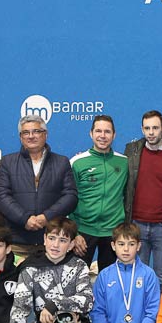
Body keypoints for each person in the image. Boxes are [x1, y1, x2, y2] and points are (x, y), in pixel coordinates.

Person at [0, 115, 78, 258]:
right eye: (26, 132)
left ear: (45, 134)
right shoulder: (8, 161)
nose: (31, 136)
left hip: (52, 243)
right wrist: (25, 219)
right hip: (17, 243)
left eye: (36, 131)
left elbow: (70, 196)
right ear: (21, 137)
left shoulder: (61, 162)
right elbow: (1, 196)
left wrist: (46, 217)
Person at [7, 217, 94, 323]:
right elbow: (20, 307)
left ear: (71, 245)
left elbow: (87, 300)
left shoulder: (79, 266)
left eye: (63, 240)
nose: (55, 245)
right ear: (44, 239)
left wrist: (55, 304)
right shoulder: (30, 268)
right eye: (52, 238)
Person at [124, 110, 162, 281]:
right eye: (147, 128)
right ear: (142, 129)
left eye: (155, 128)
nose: (151, 132)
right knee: (136, 276)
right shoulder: (132, 151)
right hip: (136, 225)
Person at [69, 115, 127, 271]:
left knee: (110, 282)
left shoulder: (124, 162)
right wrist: (74, 233)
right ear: (91, 133)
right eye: (98, 131)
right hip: (83, 231)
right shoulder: (77, 162)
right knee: (76, 280)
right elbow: (67, 199)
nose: (103, 135)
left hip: (113, 232)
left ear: (114, 135)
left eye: (107, 132)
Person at [91, 222, 161, 323]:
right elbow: (97, 311)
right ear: (113, 246)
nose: (126, 249)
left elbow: (152, 312)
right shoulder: (104, 276)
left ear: (138, 246)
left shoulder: (148, 275)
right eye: (121, 244)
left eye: (131, 244)